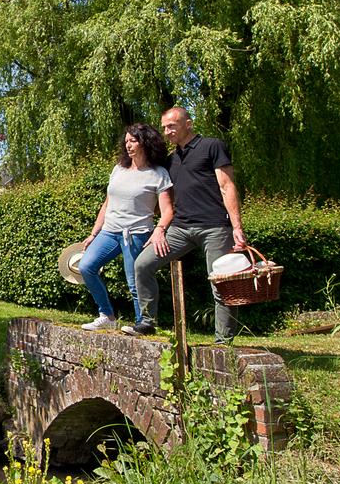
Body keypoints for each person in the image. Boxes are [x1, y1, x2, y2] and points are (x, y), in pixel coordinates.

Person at [129, 107, 248, 342]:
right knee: (143, 264)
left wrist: (237, 227)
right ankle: (148, 322)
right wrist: (160, 228)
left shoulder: (212, 146)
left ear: (188, 124)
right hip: (180, 229)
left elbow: (227, 186)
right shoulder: (171, 160)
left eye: (172, 126)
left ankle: (223, 343)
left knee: (221, 282)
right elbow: (164, 199)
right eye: (164, 127)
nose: (167, 131)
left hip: (214, 227)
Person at [77, 124, 175, 331]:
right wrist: (94, 233)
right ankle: (107, 315)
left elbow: (167, 210)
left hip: (137, 234)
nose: (128, 145)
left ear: (145, 142)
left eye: (133, 141)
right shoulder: (118, 169)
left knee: (134, 282)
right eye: (126, 141)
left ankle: (143, 324)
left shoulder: (158, 174)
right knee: (86, 266)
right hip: (109, 231)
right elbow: (107, 204)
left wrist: (160, 230)